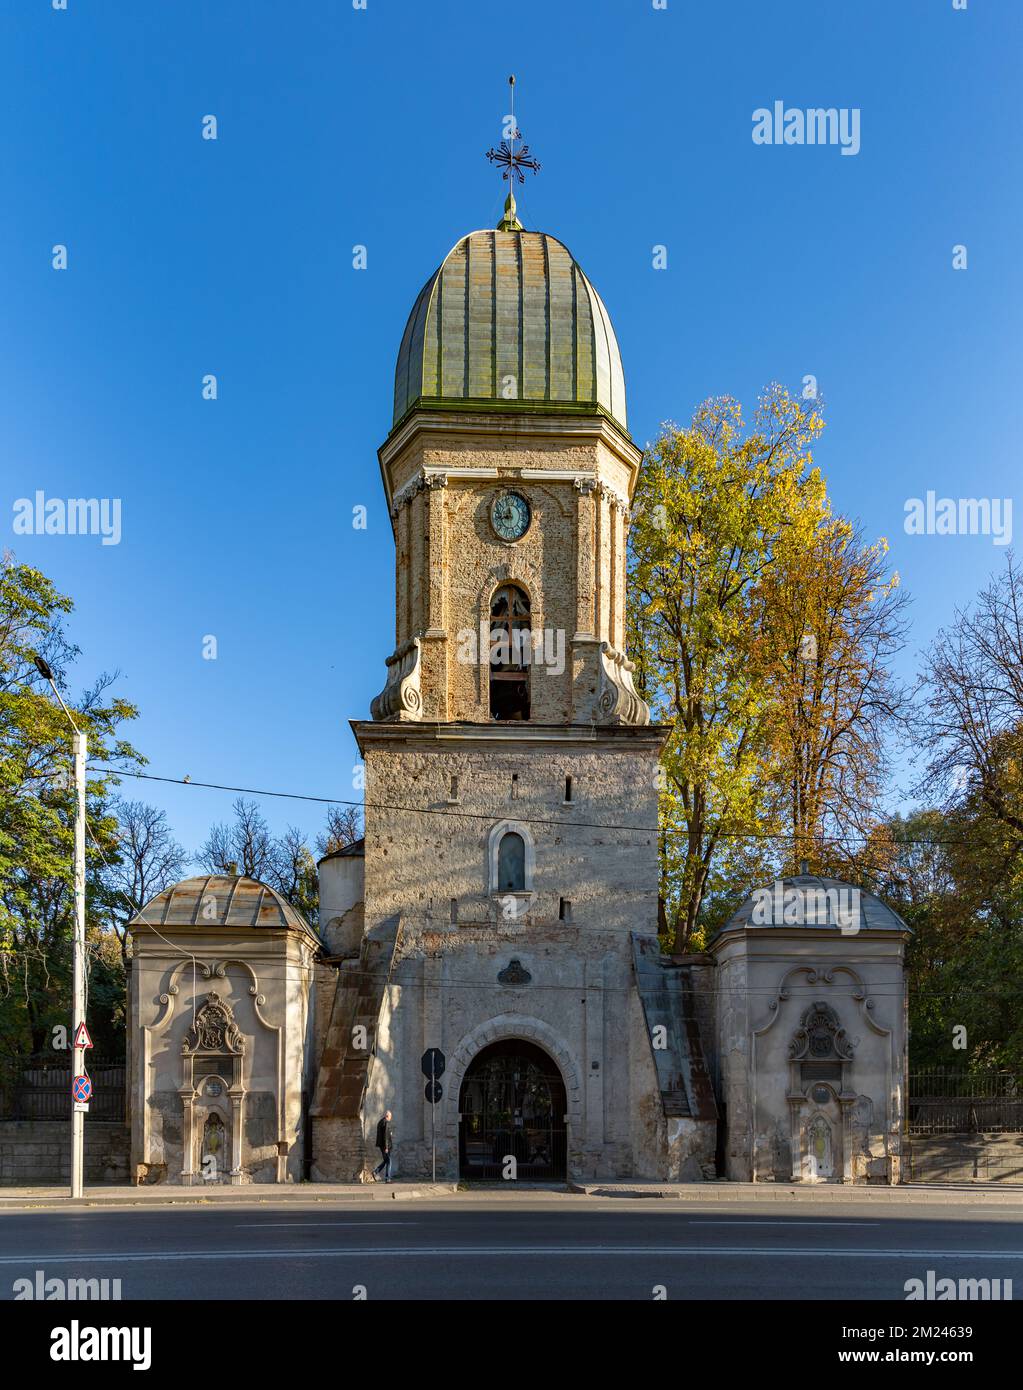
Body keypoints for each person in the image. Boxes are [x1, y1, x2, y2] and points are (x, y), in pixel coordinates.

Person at [372, 1110, 394, 1181]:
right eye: (390, 1117)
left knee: (386, 1160)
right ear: (388, 1116)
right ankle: (388, 1178)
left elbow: (384, 1134)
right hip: (385, 1146)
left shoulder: (381, 1122)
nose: (391, 1118)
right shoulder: (386, 1123)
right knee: (389, 1161)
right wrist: (386, 1147)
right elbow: (385, 1136)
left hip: (382, 1145)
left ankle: (375, 1172)